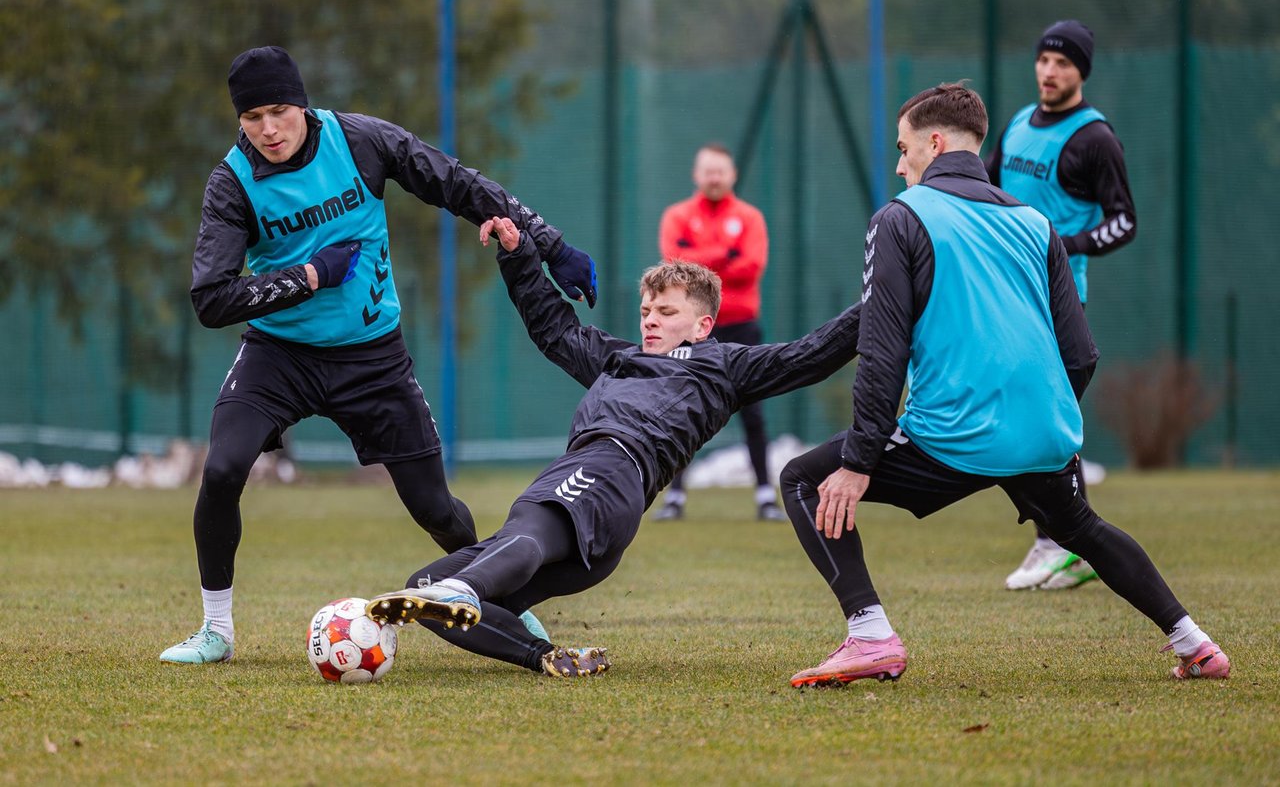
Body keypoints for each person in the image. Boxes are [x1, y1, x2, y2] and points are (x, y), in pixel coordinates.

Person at [160, 46, 597, 665]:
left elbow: (459, 184)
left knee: (435, 508)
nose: (268, 129)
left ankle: (504, 595)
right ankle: (216, 631)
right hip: (278, 355)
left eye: (279, 111)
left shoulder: (361, 141)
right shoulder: (232, 183)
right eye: (253, 117)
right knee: (224, 469)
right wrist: (311, 275)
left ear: (303, 105)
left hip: (373, 358)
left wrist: (551, 246)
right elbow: (211, 299)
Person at [782, 82, 1229, 687]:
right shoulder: (1036, 223)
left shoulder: (899, 218)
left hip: (952, 436)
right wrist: (1045, 423)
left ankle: (871, 637)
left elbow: (882, 352)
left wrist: (859, 461)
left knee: (802, 479)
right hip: (1042, 431)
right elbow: (1081, 354)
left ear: (934, 143)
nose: (899, 165)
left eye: (903, 149)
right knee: (1081, 528)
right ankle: (1196, 644)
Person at [360, 215, 862, 678]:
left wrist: (883, 298)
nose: (650, 320)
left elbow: (811, 354)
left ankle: (465, 589)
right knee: (423, 587)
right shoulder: (619, 358)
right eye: (646, 311)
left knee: (520, 530)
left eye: (666, 311)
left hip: (610, 470)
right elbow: (555, 330)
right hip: (595, 509)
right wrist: (518, 256)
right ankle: (543, 657)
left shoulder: (724, 366)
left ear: (703, 325)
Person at [985, 20, 1138, 591]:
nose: (1050, 71)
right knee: (1023, 415)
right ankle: (1062, 540)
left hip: (1057, 297)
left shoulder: (1095, 138)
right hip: (1003, 290)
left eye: (1063, 63)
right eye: (1044, 60)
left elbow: (1124, 221)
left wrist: (1063, 245)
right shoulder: (1019, 123)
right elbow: (986, 189)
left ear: (1081, 73)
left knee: (1043, 417)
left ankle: (1060, 542)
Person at [653, 143, 783, 522]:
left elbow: (751, 265)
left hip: (741, 326)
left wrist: (698, 257)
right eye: (708, 171)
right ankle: (674, 496)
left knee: (752, 410)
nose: (714, 178)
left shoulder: (750, 218)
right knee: (679, 408)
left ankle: (765, 496)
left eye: (720, 171)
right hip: (691, 328)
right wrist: (727, 253)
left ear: (732, 175)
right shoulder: (677, 215)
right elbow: (674, 263)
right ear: (697, 175)